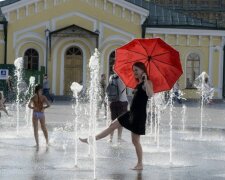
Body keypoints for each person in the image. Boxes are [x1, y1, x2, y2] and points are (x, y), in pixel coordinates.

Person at [80, 62, 153, 170]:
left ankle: (140, 164)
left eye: (136, 70)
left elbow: (150, 94)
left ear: (143, 70)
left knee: (135, 141)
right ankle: (91, 140)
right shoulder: (138, 83)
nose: (135, 72)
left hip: (139, 115)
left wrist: (146, 81)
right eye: (134, 70)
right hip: (131, 113)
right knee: (112, 125)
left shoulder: (148, 82)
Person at [28, 84, 50, 150]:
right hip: (40, 113)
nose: (41, 91)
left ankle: (44, 142)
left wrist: (34, 107)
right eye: (40, 90)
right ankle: (39, 143)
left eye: (41, 90)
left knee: (42, 128)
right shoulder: (42, 97)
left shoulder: (34, 97)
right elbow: (48, 105)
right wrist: (43, 108)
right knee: (39, 128)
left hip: (37, 113)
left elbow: (29, 105)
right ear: (37, 90)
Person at [107, 74, 128, 143]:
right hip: (122, 102)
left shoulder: (111, 77)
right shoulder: (123, 77)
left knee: (113, 120)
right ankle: (119, 138)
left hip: (113, 102)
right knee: (120, 121)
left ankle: (110, 138)